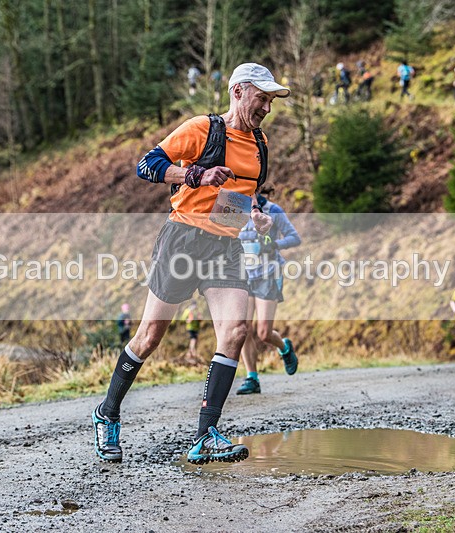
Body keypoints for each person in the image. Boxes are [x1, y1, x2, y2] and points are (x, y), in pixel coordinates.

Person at [92, 62, 288, 465]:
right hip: (182, 240)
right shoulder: (203, 128)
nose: (266, 107)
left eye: (270, 101)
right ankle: (106, 412)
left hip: (226, 247)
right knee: (149, 337)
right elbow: (146, 165)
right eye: (261, 98)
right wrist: (195, 174)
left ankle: (205, 434)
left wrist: (259, 220)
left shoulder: (260, 144)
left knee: (235, 331)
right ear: (238, 91)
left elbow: (242, 197)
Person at [236, 193, 300, 395]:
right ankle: (251, 378)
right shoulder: (235, 209)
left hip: (268, 274)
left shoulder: (274, 210)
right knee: (242, 329)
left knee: (263, 333)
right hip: (243, 276)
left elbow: (294, 237)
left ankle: (284, 347)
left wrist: (273, 245)